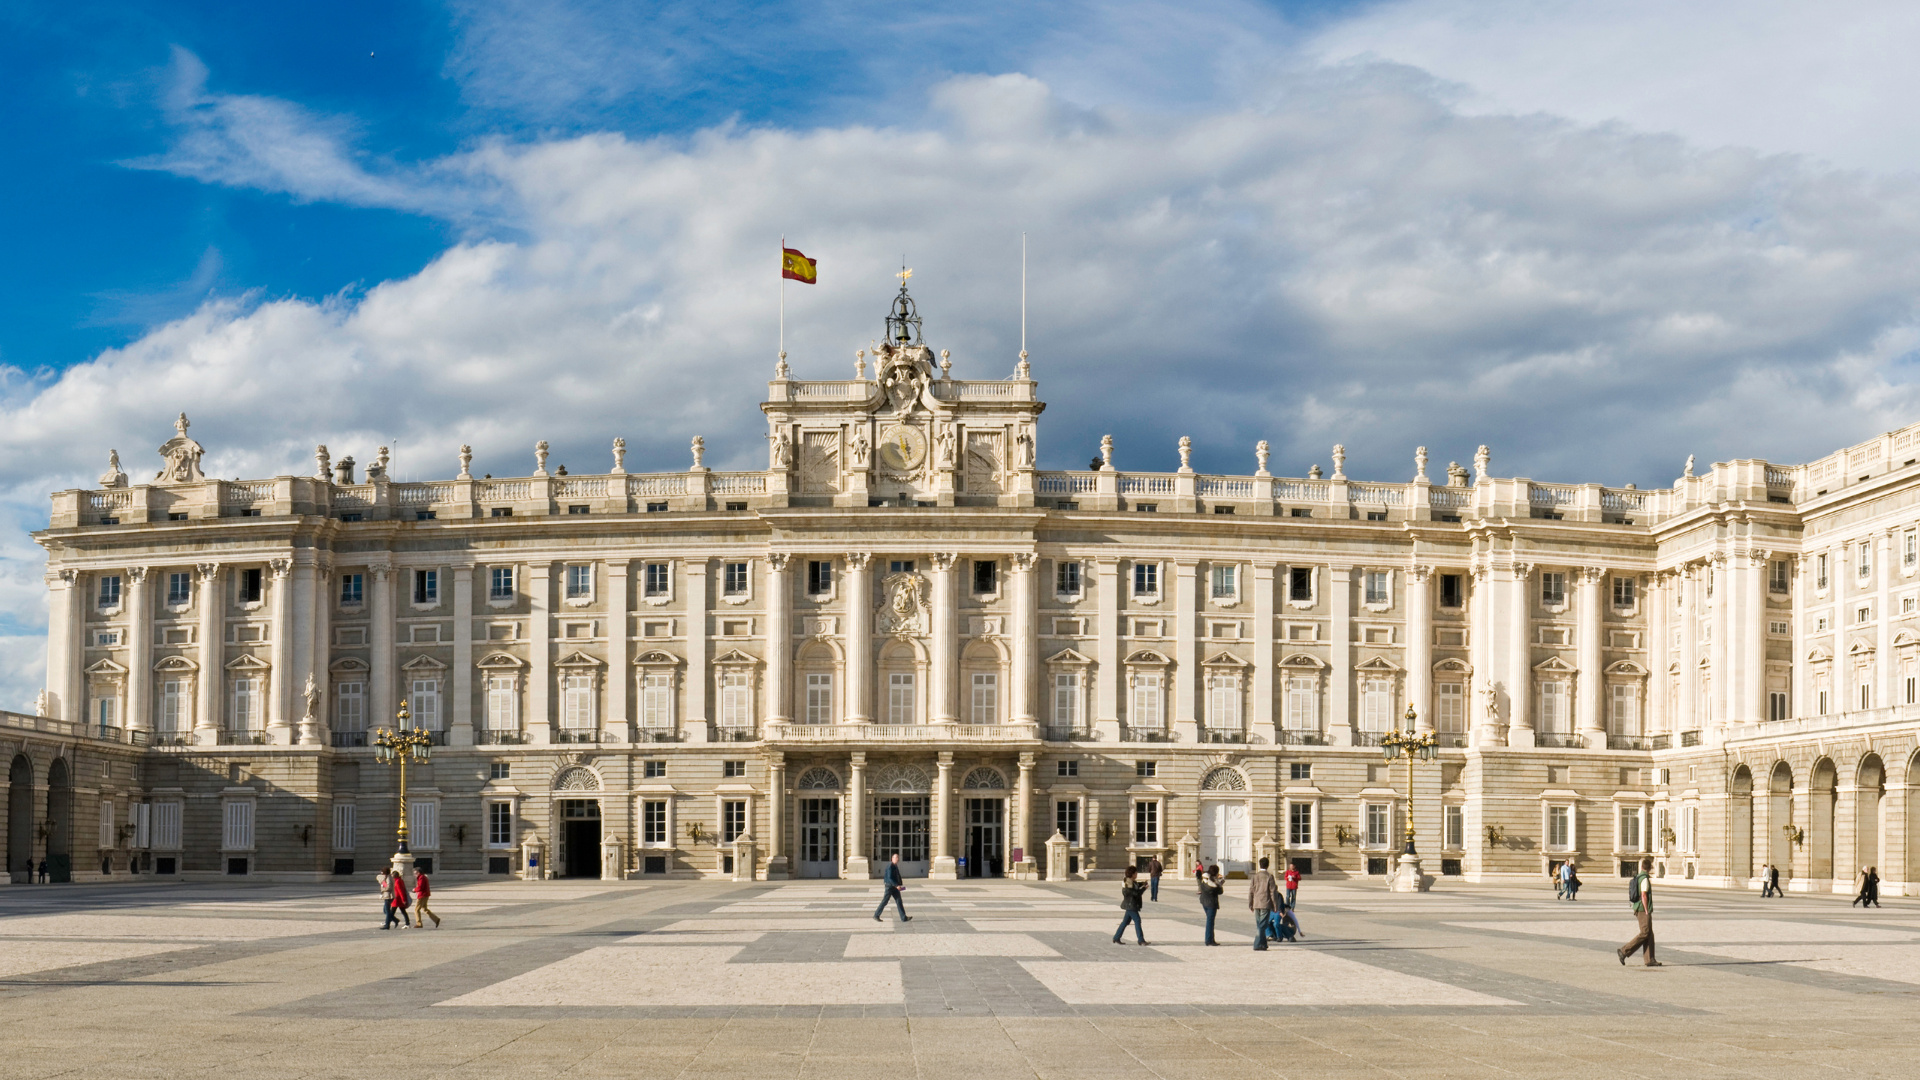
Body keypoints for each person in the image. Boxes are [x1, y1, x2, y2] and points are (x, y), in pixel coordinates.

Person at [1617, 857, 1660, 967]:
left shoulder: (1639, 876)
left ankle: (1650, 959)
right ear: (1650, 868)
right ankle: (1624, 951)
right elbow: (1644, 894)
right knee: (1645, 932)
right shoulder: (1644, 879)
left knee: (1649, 934)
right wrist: (1646, 909)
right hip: (1642, 908)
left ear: (1641, 867)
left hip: (1638, 907)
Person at [1249, 856, 1282, 952]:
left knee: (1260, 923)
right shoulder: (1269, 876)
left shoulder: (1255, 876)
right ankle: (1257, 944)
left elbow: (1251, 890)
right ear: (1268, 865)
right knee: (1262, 925)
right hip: (1265, 903)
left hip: (1256, 902)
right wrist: (1275, 905)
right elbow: (1273, 892)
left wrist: (1250, 903)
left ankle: (1263, 944)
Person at [1113, 866, 1149, 945]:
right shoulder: (1127, 883)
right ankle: (1141, 940)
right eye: (1136, 873)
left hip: (1132, 905)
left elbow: (1137, 885)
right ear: (1132, 874)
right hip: (1131, 905)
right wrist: (1144, 888)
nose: (1137, 874)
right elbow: (1135, 893)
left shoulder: (1132, 881)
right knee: (1137, 920)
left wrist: (1143, 883)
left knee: (1125, 922)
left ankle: (1116, 937)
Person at [873, 853, 912, 922]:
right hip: (890, 886)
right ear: (892, 858)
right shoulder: (890, 866)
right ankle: (876, 915)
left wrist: (899, 884)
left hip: (894, 887)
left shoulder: (895, 865)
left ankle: (904, 917)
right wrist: (896, 885)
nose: (897, 859)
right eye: (896, 858)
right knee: (885, 901)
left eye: (898, 858)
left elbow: (897, 876)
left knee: (899, 901)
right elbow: (890, 878)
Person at [1196, 863, 1224, 946]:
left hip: (1204, 901)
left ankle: (1210, 939)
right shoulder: (1212, 884)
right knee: (1210, 922)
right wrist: (1220, 883)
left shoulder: (1204, 879)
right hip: (1211, 903)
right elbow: (1219, 891)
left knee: (1210, 921)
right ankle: (1209, 940)